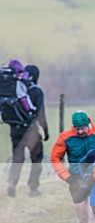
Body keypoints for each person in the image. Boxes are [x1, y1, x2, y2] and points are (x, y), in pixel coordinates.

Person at [50, 111, 95, 223]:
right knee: (83, 219)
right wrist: (66, 177)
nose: (80, 132)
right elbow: (55, 158)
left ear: (89, 124)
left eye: (83, 128)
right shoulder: (65, 138)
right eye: (77, 129)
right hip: (76, 181)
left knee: (94, 216)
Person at [6, 64, 48, 197]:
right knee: (36, 158)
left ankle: (12, 184)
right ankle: (33, 188)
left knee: (17, 158)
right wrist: (45, 132)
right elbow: (40, 114)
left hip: (15, 128)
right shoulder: (36, 92)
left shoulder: (15, 89)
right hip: (31, 130)